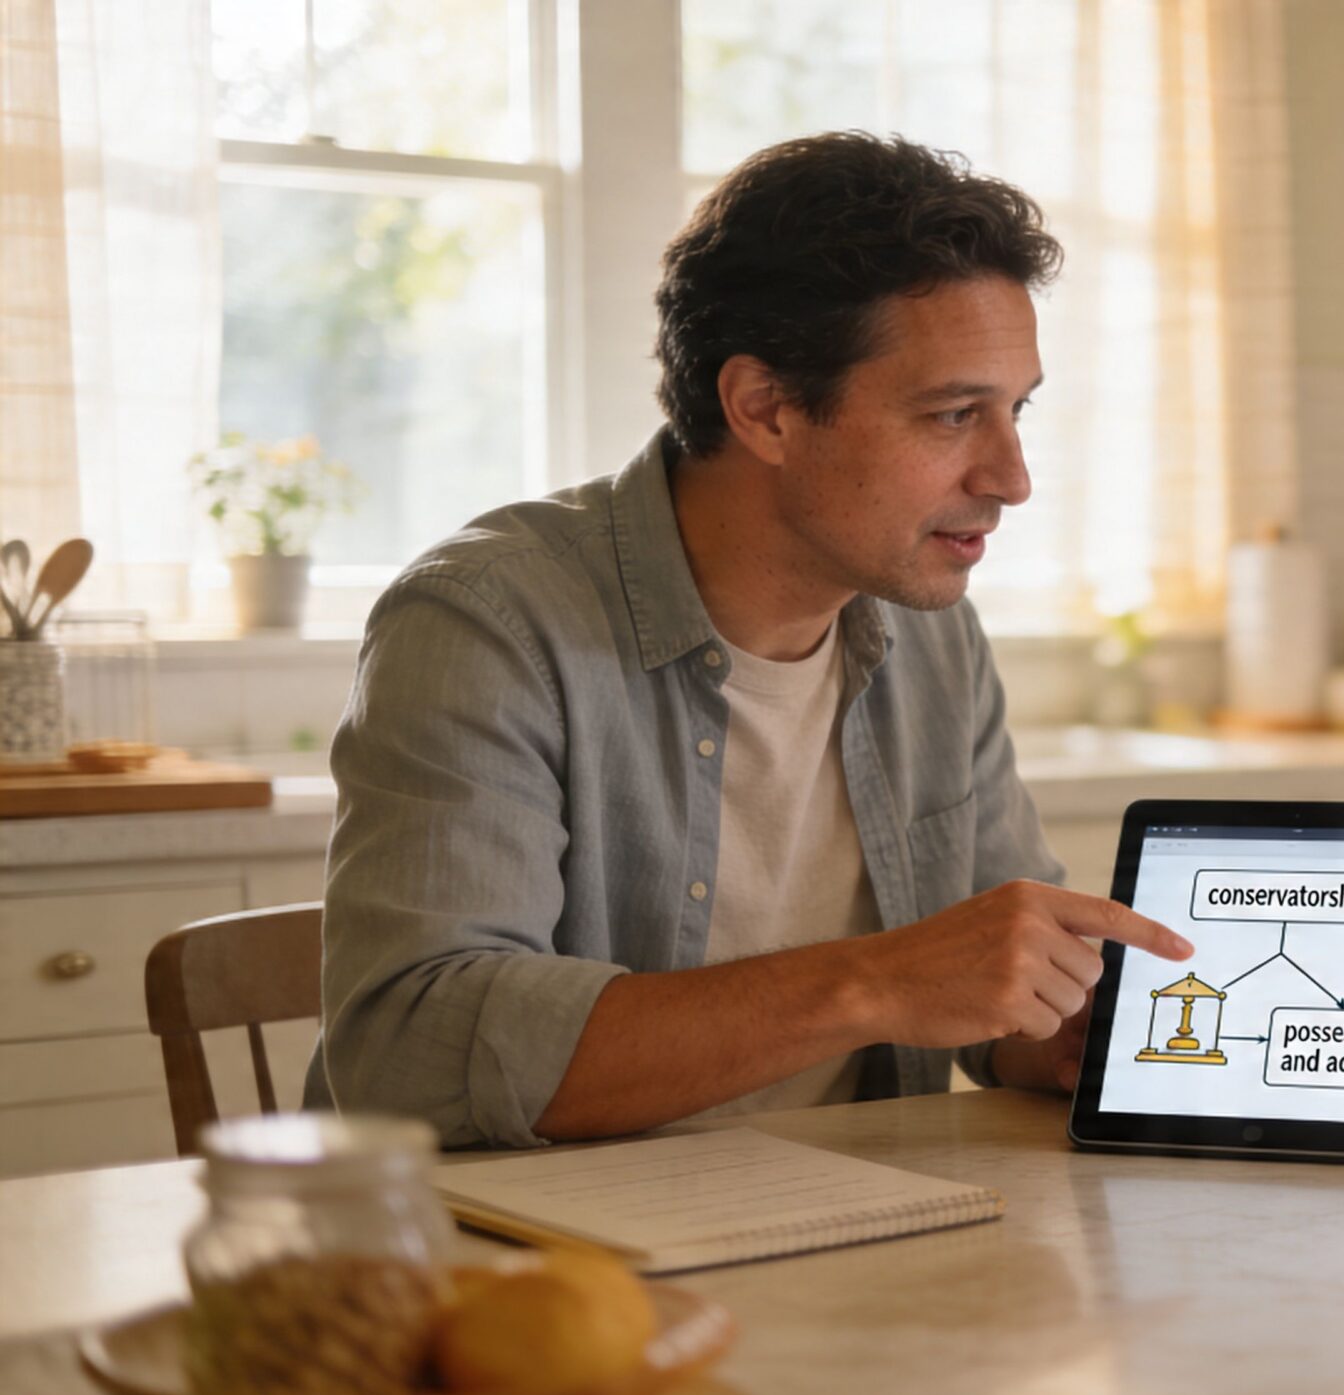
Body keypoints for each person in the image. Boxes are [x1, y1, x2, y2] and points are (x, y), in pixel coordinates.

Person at [306, 132, 1192, 1148]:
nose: (1012, 478)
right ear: (765, 409)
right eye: (954, 414)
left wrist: (1063, 1030)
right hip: (535, 1237)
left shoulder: (932, 632)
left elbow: (985, 992)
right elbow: (410, 1060)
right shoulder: (488, 623)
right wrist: (873, 983)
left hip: (856, 1213)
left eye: (1016, 410)